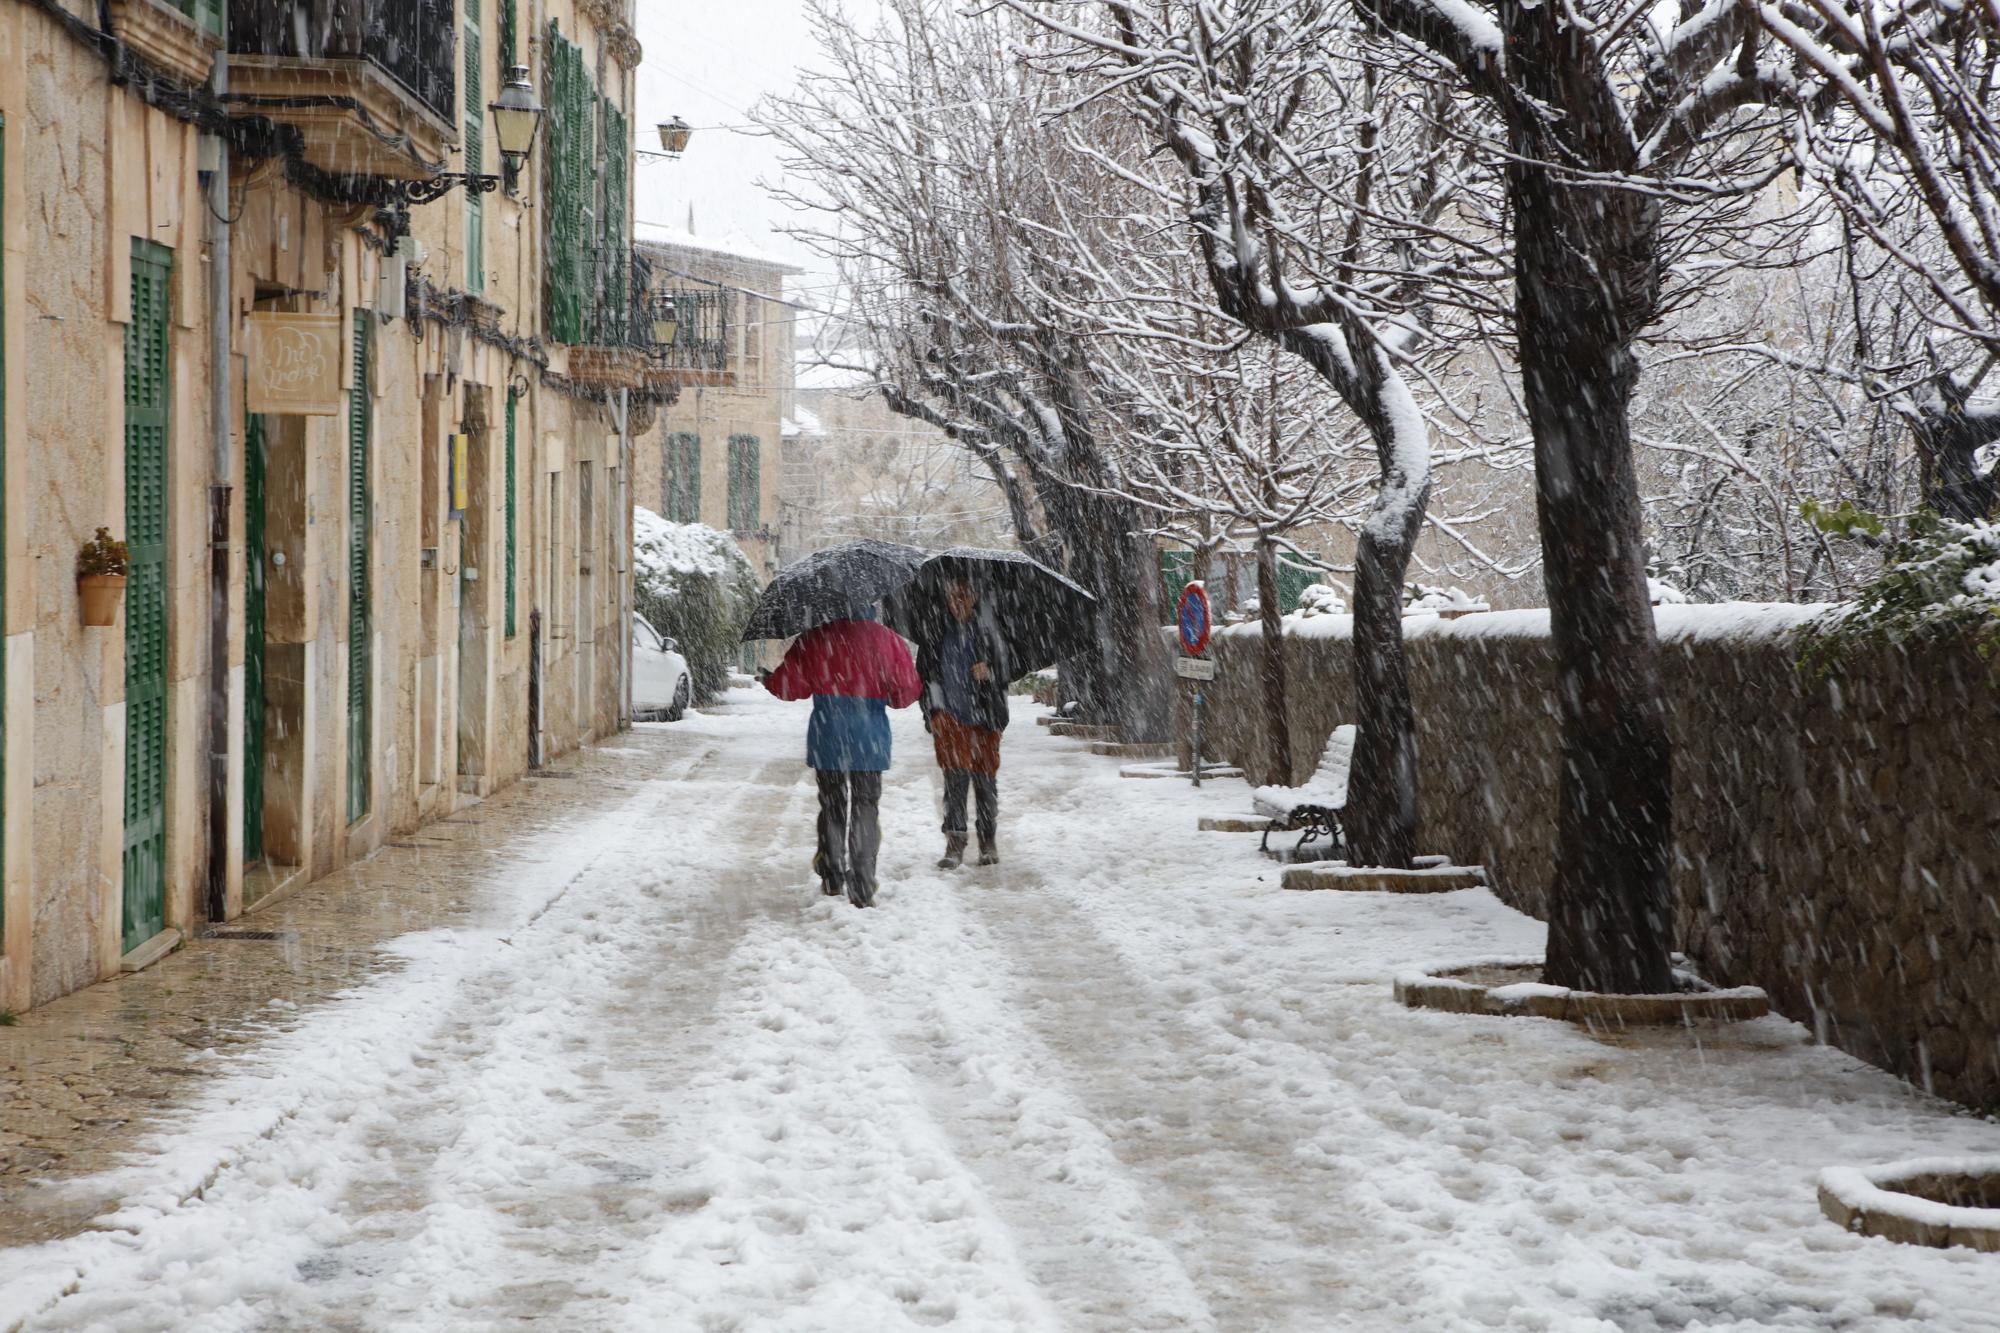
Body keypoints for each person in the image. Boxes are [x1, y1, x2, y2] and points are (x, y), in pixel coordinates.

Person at [763, 610, 921, 908]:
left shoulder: (816, 638)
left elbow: (790, 686)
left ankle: (833, 875)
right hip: (869, 740)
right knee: (865, 807)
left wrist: (770, 679)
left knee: (832, 804)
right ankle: (862, 885)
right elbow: (905, 694)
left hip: (828, 736)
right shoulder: (887, 640)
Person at [915, 579, 1011, 869]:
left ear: (974, 597)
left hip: (985, 718)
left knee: (985, 783)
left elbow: (1009, 666)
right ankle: (955, 843)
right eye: (953, 597)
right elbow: (926, 674)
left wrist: (990, 670)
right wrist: (934, 712)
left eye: (964, 597)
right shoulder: (935, 631)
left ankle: (987, 841)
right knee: (955, 783)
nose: (958, 603)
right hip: (951, 718)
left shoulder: (990, 629)